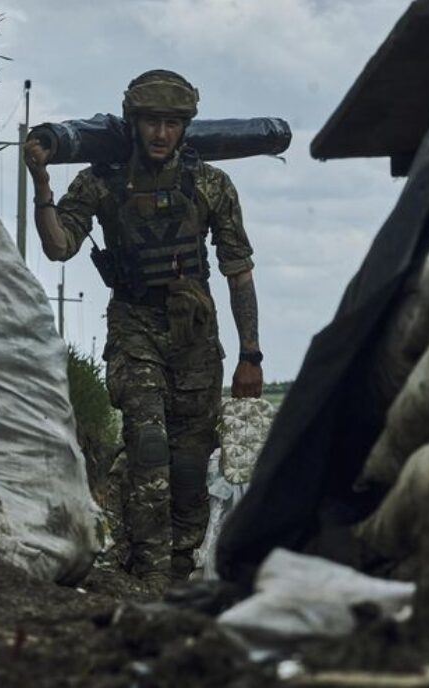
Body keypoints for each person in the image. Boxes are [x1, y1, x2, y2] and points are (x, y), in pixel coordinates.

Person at [23, 69, 263, 590]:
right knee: (149, 440)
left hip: (196, 333)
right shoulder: (102, 179)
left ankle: (174, 566)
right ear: (133, 123)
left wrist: (252, 355)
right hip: (134, 323)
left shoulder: (210, 184)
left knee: (191, 459)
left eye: (172, 123)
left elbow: (238, 271)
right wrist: (42, 186)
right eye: (152, 122)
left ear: (185, 127)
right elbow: (59, 245)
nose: (161, 133)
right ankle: (149, 570)